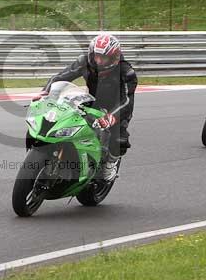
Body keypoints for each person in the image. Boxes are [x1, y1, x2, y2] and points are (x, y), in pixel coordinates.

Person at [37, 33, 137, 183]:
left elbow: (127, 100)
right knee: (65, 117)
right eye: (96, 56)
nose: (99, 61)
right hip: (93, 101)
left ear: (114, 58)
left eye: (104, 58)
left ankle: (110, 165)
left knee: (118, 138)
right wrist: (45, 92)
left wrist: (111, 117)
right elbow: (60, 77)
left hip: (118, 108)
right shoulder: (84, 62)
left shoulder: (126, 72)